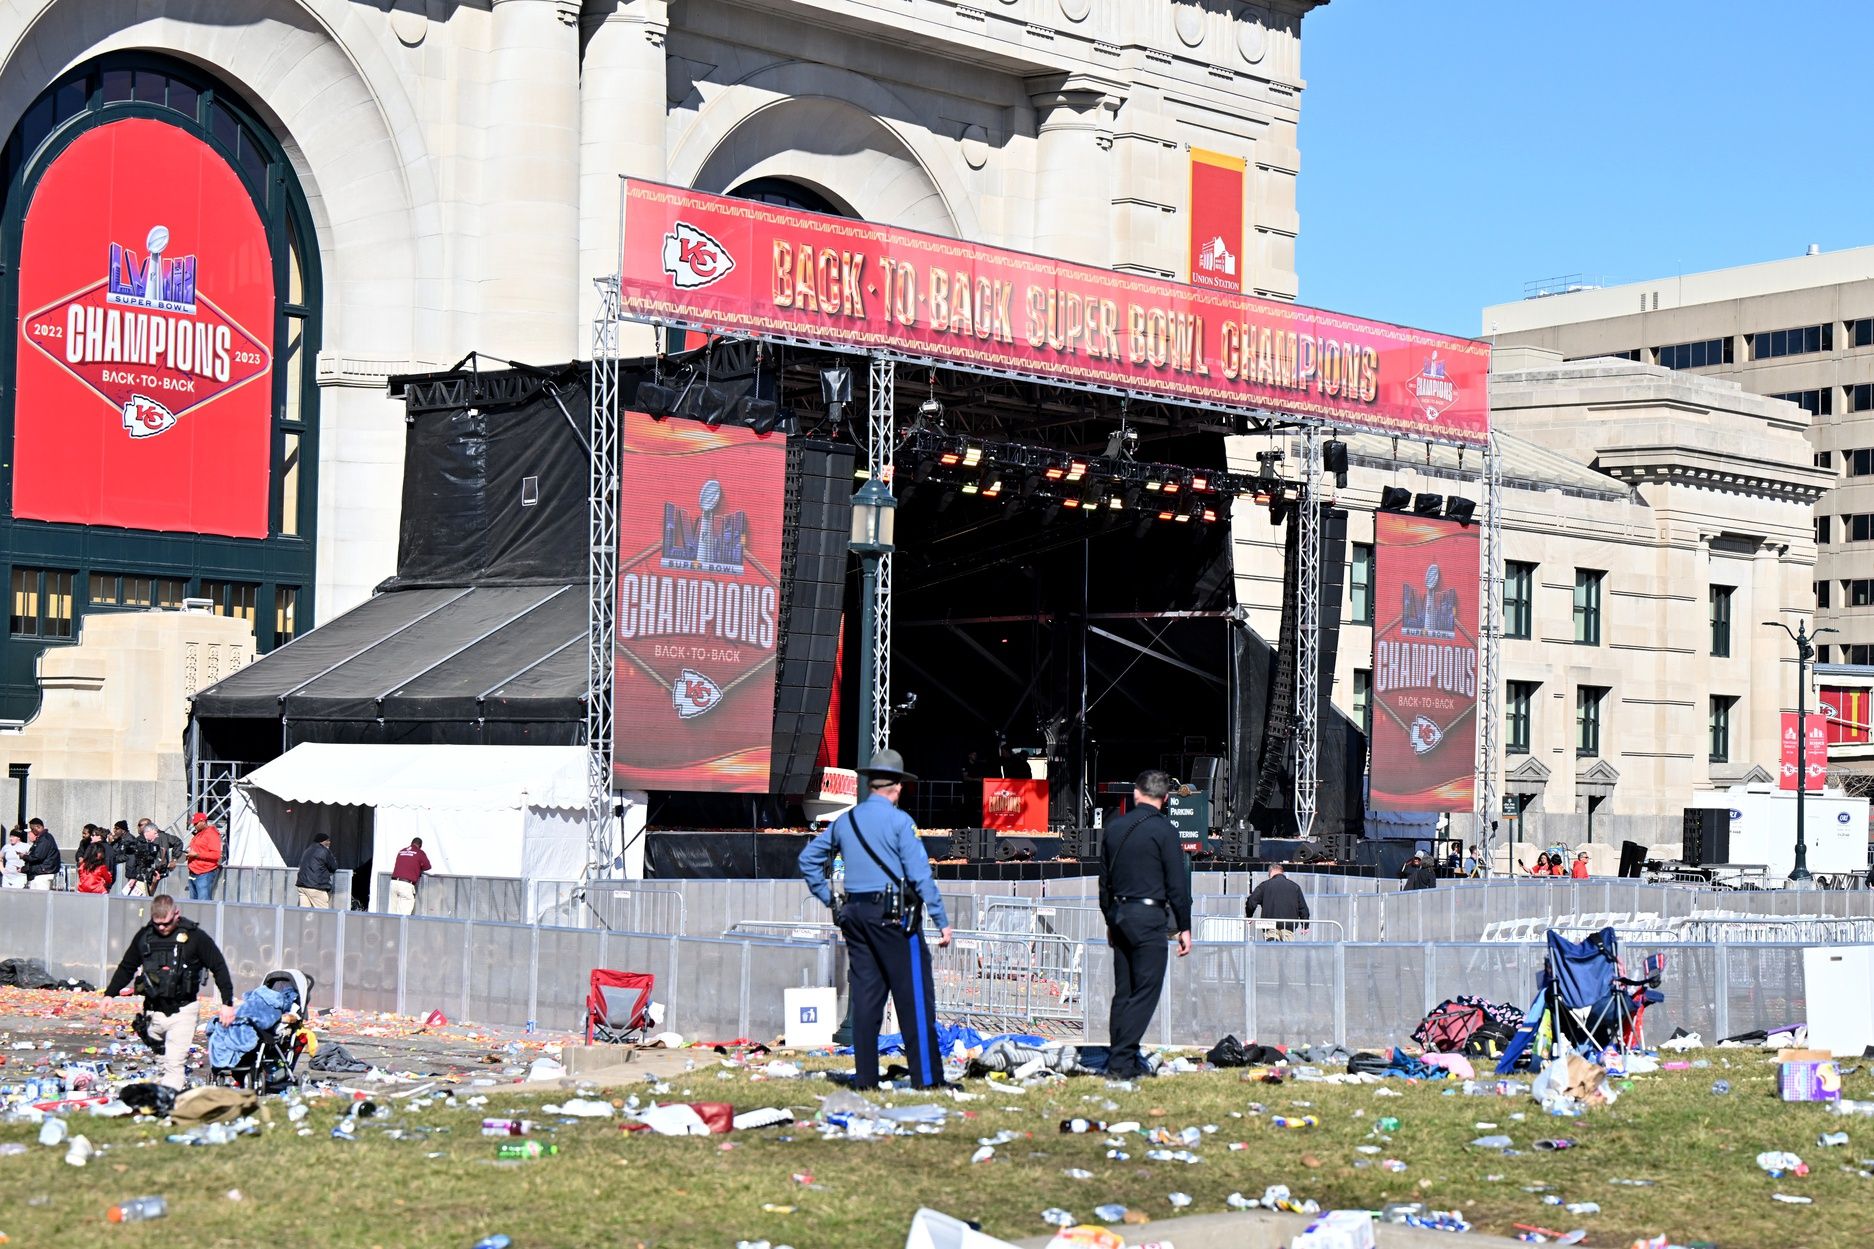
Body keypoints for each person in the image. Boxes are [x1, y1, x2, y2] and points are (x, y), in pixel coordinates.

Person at [800, 749, 952, 1089]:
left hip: (854, 915)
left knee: (867, 999)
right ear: (896, 787)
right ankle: (927, 1079)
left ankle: (866, 1079)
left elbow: (808, 860)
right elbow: (920, 876)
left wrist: (830, 900)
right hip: (893, 917)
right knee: (914, 997)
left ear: (870, 784)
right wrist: (941, 919)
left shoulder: (846, 821)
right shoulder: (901, 823)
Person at [1097, 769, 1193, 1079]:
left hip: (1120, 915)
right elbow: (1177, 884)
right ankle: (1122, 1062)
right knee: (1146, 991)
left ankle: (1120, 1056)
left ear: (1136, 793)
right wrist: (1184, 926)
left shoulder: (1114, 827)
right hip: (1149, 917)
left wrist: (1110, 919)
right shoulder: (1164, 831)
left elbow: (1104, 883)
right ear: (1165, 799)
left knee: (1123, 992)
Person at [102, 895, 236, 1091]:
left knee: (174, 1063)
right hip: (153, 1011)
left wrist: (227, 1003)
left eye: (166, 923)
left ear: (176, 914)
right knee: (162, 1060)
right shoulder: (145, 936)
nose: (162, 928)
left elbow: (219, 966)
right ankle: (166, 1093)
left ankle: (169, 1105)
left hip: (183, 1010)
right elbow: (127, 967)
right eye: (158, 924)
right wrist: (109, 994)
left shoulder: (195, 937)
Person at [1243, 862, 1310, 940]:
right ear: (1282, 872)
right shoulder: (1295, 887)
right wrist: (1305, 925)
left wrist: (1249, 916)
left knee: (1271, 950)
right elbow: (1303, 908)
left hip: (1269, 925)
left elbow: (1251, 901)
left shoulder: (1264, 886)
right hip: (1288, 926)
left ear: (1270, 872)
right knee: (1286, 950)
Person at [184, 813, 224, 900]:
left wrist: (197, 855)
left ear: (203, 821)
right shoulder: (199, 834)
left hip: (204, 872)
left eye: (196, 823)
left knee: (203, 902)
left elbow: (216, 855)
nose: (194, 826)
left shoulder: (211, 834)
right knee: (193, 902)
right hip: (194, 871)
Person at [389, 837, 432, 915]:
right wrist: (419, 868)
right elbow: (428, 866)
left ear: (411, 843)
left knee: (392, 913)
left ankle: (391, 927)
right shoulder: (419, 852)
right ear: (420, 845)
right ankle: (401, 927)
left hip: (393, 883)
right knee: (404, 915)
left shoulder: (401, 851)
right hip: (405, 885)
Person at [296, 833, 338, 909]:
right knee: (323, 914)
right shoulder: (324, 851)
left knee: (303, 913)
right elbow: (333, 867)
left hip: (302, 886)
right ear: (321, 841)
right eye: (327, 840)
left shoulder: (307, 850)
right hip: (316, 887)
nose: (329, 842)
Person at [22, 818, 60, 890]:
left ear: (38, 827)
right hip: (41, 873)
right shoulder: (43, 838)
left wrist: (24, 856)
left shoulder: (44, 839)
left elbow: (37, 857)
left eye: (32, 829)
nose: (32, 831)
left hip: (43, 874)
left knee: (40, 899)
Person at [76, 826, 114, 894]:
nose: (91, 837)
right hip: (102, 887)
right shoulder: (110, 848)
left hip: (94, 887)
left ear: (100, 837)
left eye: (93, 835)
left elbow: (83, 865)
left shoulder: (93, 847)